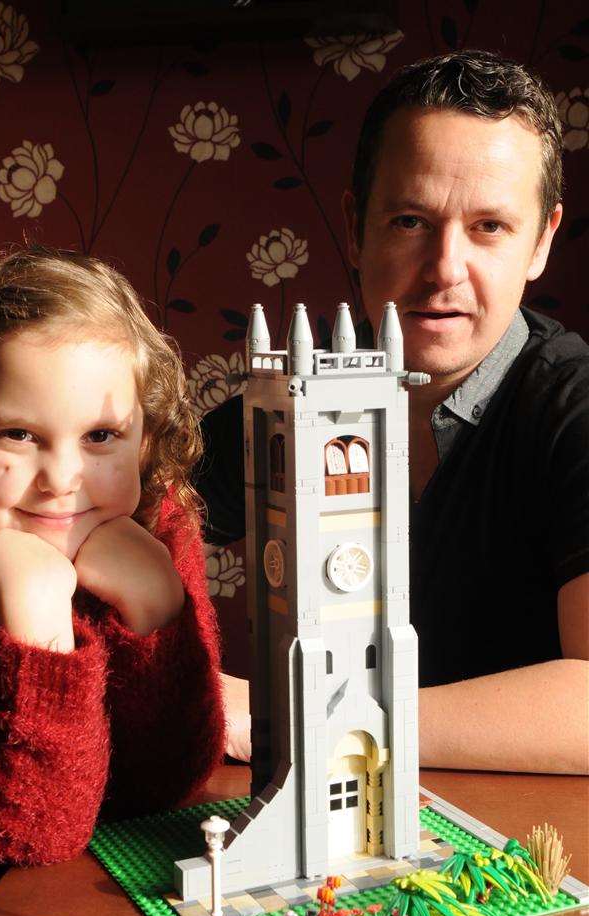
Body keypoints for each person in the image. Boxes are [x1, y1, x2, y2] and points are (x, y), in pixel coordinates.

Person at [197, 51, 589, 774]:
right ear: (356, 226)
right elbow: (115, 519)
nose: (444, 267)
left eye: (490, 227)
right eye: (411, 219)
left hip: (529, 853)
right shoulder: (298, 397)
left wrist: (301, 714)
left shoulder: (574, 409)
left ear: (542, 241)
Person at [0, 247, 225, 916]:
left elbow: (171, 781)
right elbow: (32, 836)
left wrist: (155, 610)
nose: (62, 478)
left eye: (100, 437)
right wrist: (38, 630)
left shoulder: (157, 530)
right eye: (18, 434)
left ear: (144, 438)